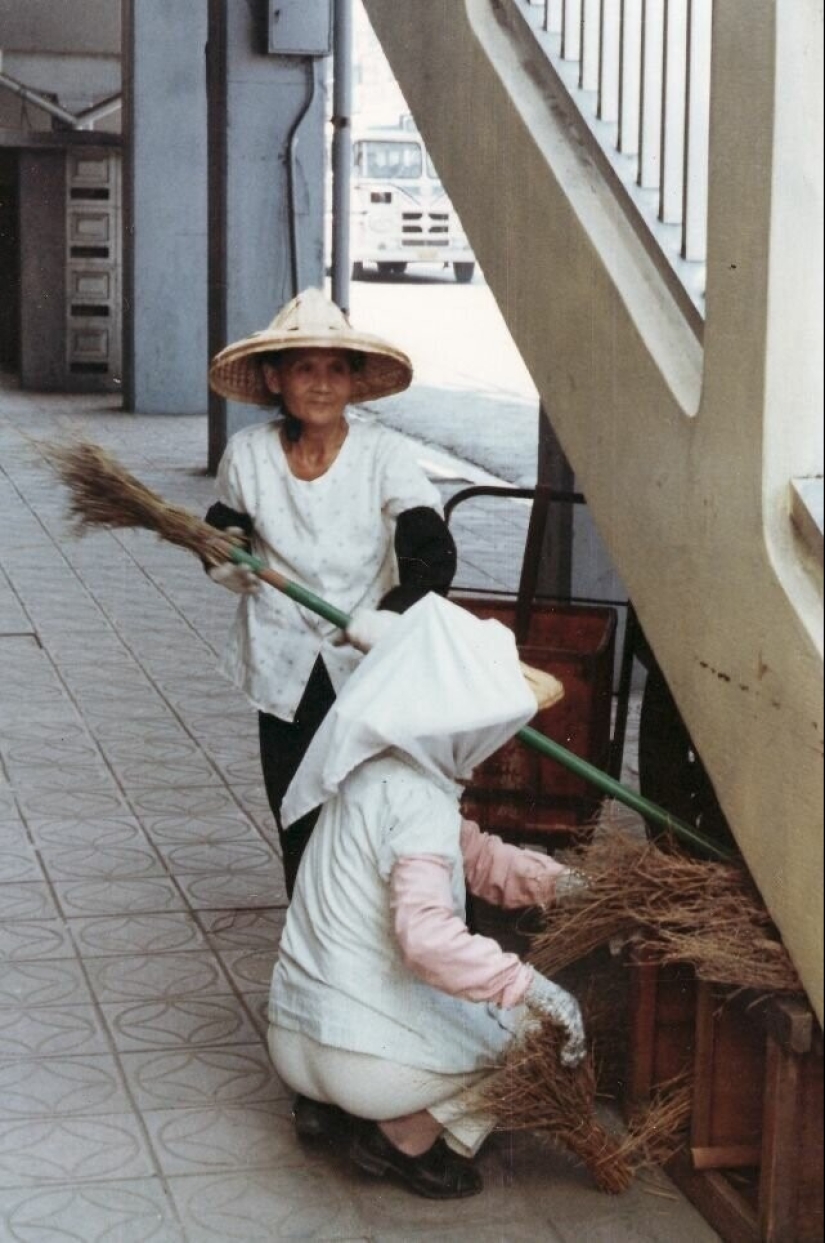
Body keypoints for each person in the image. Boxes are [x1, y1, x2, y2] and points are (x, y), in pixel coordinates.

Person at [268, 594, 587, 1200]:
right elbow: (427, 940)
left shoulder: (367, 768)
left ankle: (334, 1111)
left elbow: (476, 856)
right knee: (536, 1038)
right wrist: (529, 987)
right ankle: (404, 1136)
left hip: (294, 1036)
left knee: (467, 1011)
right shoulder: (416, 800)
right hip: (358, 1061)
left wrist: (564, 885)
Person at [205, 287, 457, 898]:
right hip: (283, 664)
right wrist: (224, 557)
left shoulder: (383, 454)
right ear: (274, 378)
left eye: (336, 369)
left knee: (375, 810)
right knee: (298, 810)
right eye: (304, 368)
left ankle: (381, 945)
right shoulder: (248, 454)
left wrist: (390, 616)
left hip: (366, 661)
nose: (321, 384)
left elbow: (432, 548)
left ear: (353, 380)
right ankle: (310, 953)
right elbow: (221, 523)